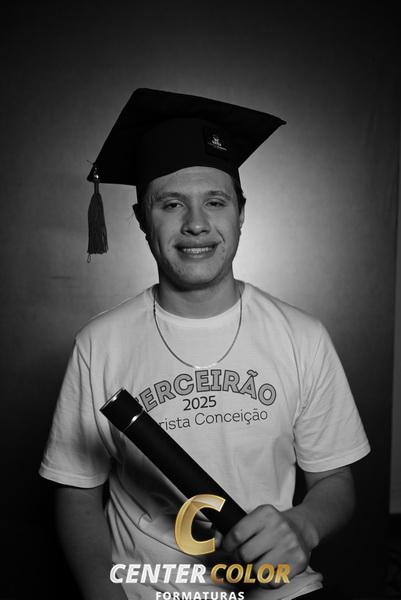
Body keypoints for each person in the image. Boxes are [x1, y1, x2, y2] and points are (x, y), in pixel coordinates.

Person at [39, 88, 370, 600]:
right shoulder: (99, 345)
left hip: (275, 590)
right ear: (142, 220)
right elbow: (77, 492)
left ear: (241, 212)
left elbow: (335, 481)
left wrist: (303, 526)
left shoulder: (302, 336)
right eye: (172, 204)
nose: (196, 223)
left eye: (215, 202)